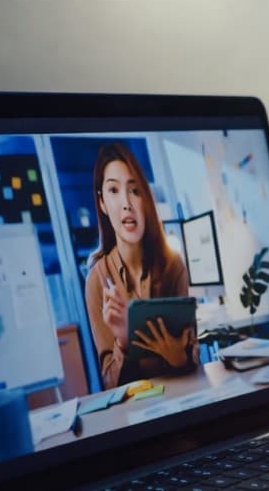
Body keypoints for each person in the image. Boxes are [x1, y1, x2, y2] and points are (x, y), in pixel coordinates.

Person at [84, 142, 198, 389]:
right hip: (138, 411)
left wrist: (178, 358)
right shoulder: (97, 280)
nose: (126, 202)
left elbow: (193, 358)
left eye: (135, 190)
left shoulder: (173, 266)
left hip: (183, 401)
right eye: (113, 190)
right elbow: (109, 384)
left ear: (146, 199)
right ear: (102, 203)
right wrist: (123, 342)